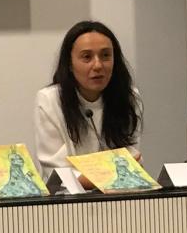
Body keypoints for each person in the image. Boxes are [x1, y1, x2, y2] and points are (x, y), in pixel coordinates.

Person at [33, 20, 143, 178]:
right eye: (87, 57)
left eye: (105, 56)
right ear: (70, 64)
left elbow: (133, 160)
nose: (98, 65)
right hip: (66, 199)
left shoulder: (129, 97)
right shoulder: (49, 100)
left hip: (117, 197)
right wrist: (109, 175)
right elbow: (56, 174)